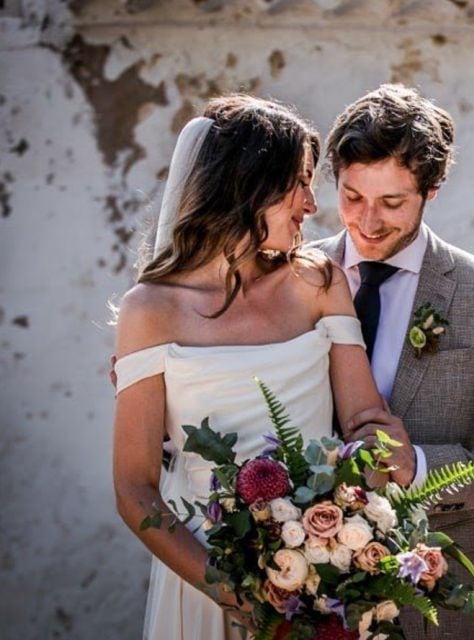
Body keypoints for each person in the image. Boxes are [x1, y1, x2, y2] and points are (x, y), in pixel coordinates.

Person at [111, 95, 386, 639]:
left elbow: (365, 421)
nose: (311, 204)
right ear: (250, 185)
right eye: (299, 182)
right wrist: (234, 594)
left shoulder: (319, 283)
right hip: (203, 571)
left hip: (318, 571)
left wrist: (351, 537)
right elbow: (133, 487)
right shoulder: (150, 310)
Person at [309, 84, 474, 639]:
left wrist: (418, 468)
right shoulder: (293, 276)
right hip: (300, 588)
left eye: (393, 203)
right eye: (352, 197)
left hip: (434, 599)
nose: (368, 222)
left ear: (432, 191)